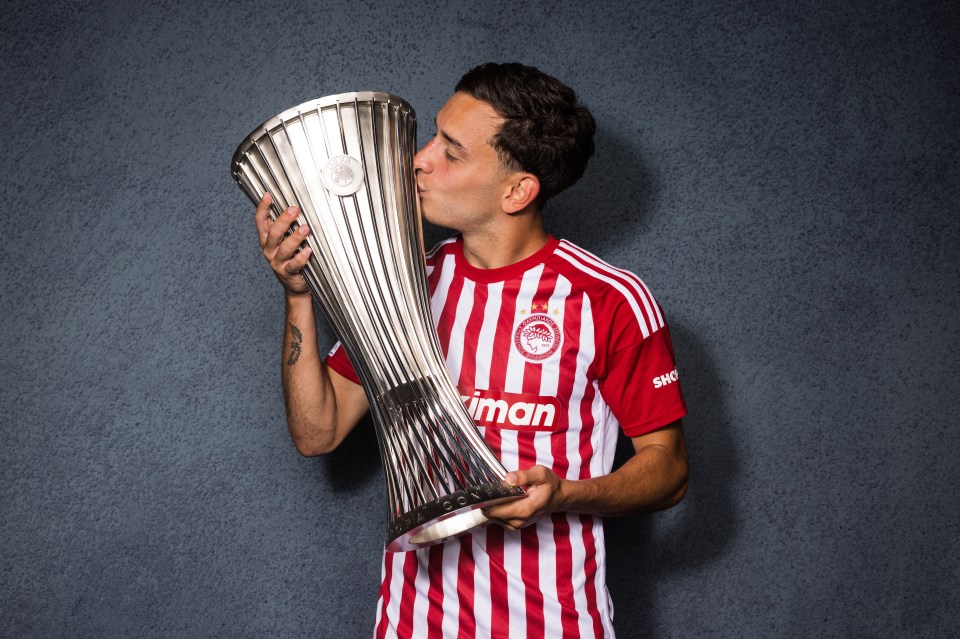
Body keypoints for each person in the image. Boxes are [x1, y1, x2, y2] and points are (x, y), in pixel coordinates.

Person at [253, 62, 689, 638]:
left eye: (451, 152)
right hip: (413, 624)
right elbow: (319, 432)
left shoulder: (606, 300)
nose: (418, 159)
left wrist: (564, 495)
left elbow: (670, 471)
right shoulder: (404, 283)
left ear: (517, 190)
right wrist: (298, 294)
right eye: (433, 135)